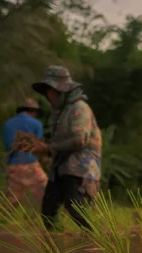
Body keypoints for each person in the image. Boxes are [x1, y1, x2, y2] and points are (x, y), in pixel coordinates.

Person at [28, 66, 102, 231]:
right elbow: (57, 141)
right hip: (61, 166)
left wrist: (48, 148)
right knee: (49, 209)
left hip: (81, 167)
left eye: (52, 91)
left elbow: (80, 140)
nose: (49, 96)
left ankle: (94, 242)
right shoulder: (59, 113)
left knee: (76, 206)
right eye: (47, 92)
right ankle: (57, 247)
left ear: (62, 91)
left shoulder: (79, 108)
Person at [1, 98, 48, 205]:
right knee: (46, 193)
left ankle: (0, 219)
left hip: (12, 165)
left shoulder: (7, 124)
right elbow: (38, 146)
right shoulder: (36, 124)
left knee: (12, 199)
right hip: (30, 164)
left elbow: (7, 146)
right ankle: (50, 219)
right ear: (33, 111)